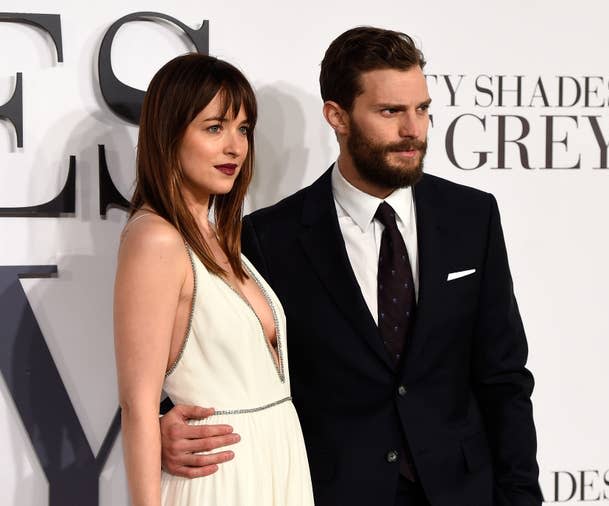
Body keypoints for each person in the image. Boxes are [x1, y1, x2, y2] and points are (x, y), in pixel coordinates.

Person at [160, 28, 542, 506]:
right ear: (337, 116)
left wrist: (521, 496)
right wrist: (163, 421)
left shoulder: (472, 216)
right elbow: (214, 354)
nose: (413, 130)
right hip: (328, 491)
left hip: (461, 491)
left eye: (422, 109)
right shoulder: (269, 237)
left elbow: (503, 375)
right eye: (390, 112)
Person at [113, 53, 314, 505]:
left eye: (243, 129)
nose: (235, 147)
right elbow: (137, 406)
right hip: (220, 481)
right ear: (169, 134)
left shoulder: (219, 235)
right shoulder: (156, 240)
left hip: (276, 469)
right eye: (214, 127)